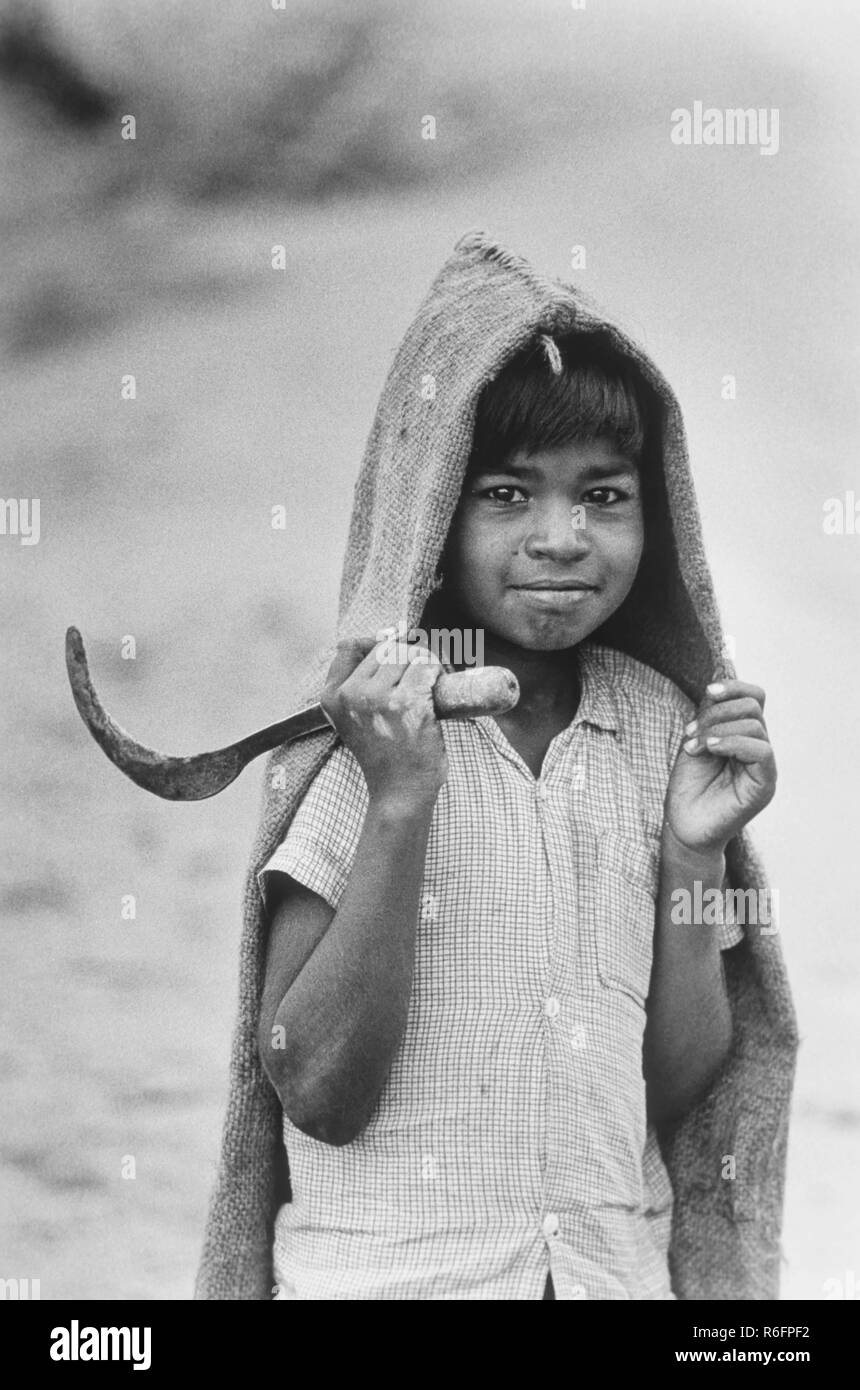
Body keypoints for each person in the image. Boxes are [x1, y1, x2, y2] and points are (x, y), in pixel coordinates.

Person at [195, 231, 797, 1301]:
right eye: (506, 494)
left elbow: (666, 1083)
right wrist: (401, 796)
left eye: (602, 495)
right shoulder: (367, 736)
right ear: (431, 513)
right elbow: (315, 1087)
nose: (561, 536)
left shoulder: (662, 728)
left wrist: (690, 853)